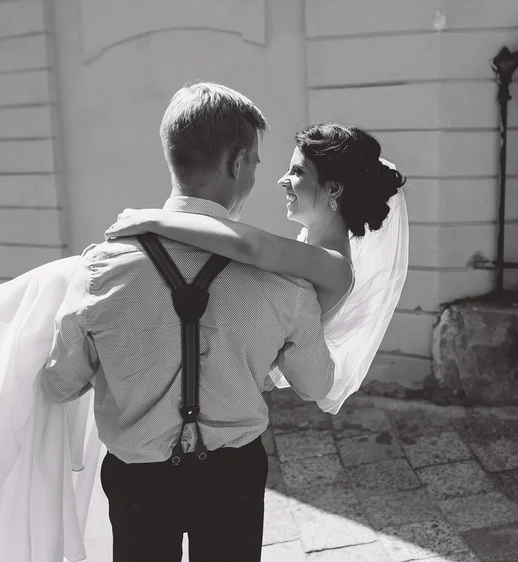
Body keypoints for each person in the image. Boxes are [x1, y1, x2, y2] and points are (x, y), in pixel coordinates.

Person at [1, 82, 336, 562]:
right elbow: (314, 384)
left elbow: (59, 384)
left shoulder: (99, 270)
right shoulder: (284, 282)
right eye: (257, 161)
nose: (258, 171)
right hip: (233, 475)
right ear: (237, 161)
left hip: (139, 482)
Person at [106, 122, 410, 414]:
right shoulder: (309, 246)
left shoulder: (333, 264)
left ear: (333, 189)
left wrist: (154, 220)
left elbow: (251, 247)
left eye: (297, 171)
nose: (282, 179)